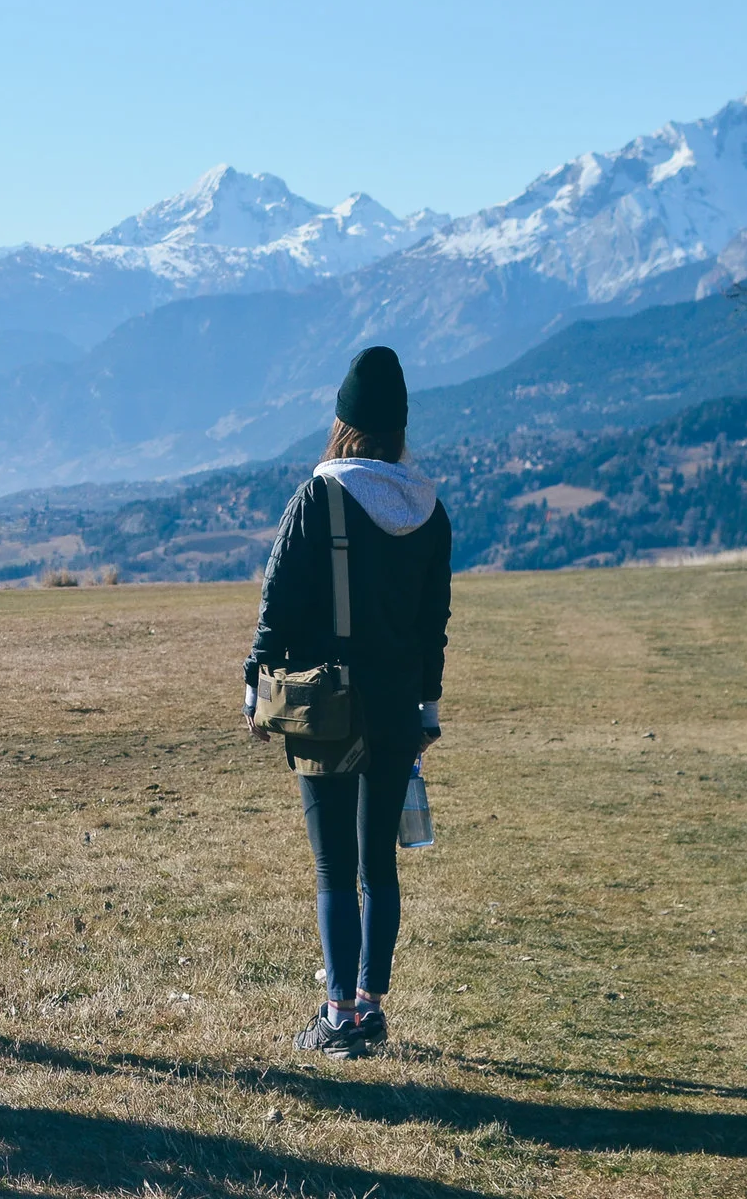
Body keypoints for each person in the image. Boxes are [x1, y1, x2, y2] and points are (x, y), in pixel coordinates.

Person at [246, 345, 449, 1059]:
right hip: (397, 710)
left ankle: (336, 1016)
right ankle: (370, 1008)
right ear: (398, 429)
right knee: (378, 867)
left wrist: (255, 685)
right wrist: (428, 709)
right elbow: (433, 625)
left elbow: (277, 605)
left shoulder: (319, 498)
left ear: (342, 425)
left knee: (335, 867)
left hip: (326, 709)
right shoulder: (429, 511)